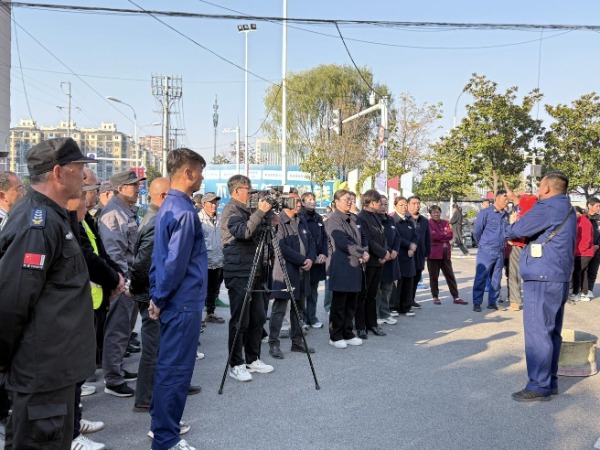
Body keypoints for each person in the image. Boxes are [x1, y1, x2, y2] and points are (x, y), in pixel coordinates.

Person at [0, 137, 96, 449]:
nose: (84, 177)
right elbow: (11, 302)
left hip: (55, 371)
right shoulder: (37, 223)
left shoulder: (53, 216)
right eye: (79, 169)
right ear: (58, 173)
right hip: (42, 374)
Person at [148, 149, 208, 450]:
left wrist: (157, 295)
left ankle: (162, 428)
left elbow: (159, 258)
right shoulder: (183, 211)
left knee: (168, 368)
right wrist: (159, 297)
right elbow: (174, 262)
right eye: (200, 171)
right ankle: (166, 438)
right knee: (175, 372)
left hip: (174, 299)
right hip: (183, 301)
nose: (201, 177)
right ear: (188, 173)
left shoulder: (169, 206)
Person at [505, 171, 576, 401]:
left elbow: (517, 230)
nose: (537, 191)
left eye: (539, 186)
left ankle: (538, 385)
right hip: (558, 276)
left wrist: (513, 223)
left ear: (546, 188)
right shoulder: (567, 207)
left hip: (542, 276)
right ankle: (549, 381)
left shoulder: (547, 206)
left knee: (538, 333)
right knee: (551, 332)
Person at [66, 188, 109, 450]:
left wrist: (113, 276)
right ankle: (70, 434)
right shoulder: (62, 224)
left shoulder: (85, 221)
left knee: (77, 374)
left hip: (89, 300)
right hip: (75, 306)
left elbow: (98, 253)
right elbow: (87, 258)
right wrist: (114, 278)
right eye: (83, 195)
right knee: (69, 374)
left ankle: (75, 420)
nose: (88, 200)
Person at [221, 175, 274, 382]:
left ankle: (253, 358)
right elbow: (243, 232)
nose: (252, 193)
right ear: (236, 191)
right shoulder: (231, 210)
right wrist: (260, 212)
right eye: (248, 189)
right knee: (240, 320)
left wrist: (268, 216)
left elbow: (261, 235)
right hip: (239, 271)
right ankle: (236, 363)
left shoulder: (249, 210)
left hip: (256, 269)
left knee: (258, 317)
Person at [98, 170, 145, 397]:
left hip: (131, 279)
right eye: (133, 185)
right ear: (120, 189)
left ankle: (116, 368)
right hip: (122, 282)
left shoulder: (127, 210)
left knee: (125, 328)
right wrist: (125, 282)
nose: (137, 189)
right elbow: (114, 253)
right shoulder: (112, 214)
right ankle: (112, 379)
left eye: (138, 185)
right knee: (117, 330)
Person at [268, 192, 316, 359]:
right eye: (295, 201)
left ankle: (297, 341)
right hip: (285, 271)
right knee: (279, 309)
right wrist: (302, 260)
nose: (299, 204)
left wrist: (311, 258)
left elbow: (311, 241)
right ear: (285, 202)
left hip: (303, 271)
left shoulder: (301, 219)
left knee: (299, 308)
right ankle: (274, 344)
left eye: (299, 201)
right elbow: (280, 246)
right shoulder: (278, 220)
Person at [325, 189, 368, 349]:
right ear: (336, 202)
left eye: (351, 199)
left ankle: (348, 332)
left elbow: (364, 237)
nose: (350, 202)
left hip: (356, 265)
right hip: (342, 265)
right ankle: (335, 335)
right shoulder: (333, 220)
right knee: (339, 303)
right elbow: (342, 241)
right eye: (346, 199)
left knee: (352, 302)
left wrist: (365, 251)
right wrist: (361, 252)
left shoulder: (355, 218)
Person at [356, 189, 389, 339]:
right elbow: (367, 240)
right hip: (368, 261)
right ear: (372, 202)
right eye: (379, 202)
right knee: (363, 294)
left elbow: (382, 236)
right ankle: (361, 326)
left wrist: (385, 252)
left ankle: (372, 324)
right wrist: (382, 253)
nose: (381, 205)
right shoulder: (361, 217)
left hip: (379, 261)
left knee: (372, 295)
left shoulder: (375, 216)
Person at [472, 190, 509, 312]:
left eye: (507, 200)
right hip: (486, 250)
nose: (506, 202)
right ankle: (477, 302)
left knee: (496, 278)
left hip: (500, 250)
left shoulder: (506, 215)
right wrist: (483, 244)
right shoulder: (485, 213)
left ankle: (493, 302)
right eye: (504, 199)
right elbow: (477, 231)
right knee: (481, 276)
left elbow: (508, 231)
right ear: (496, 199)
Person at [427, 205, 468, 305]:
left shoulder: (445, 222)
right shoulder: (428, 223)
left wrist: (440, 235)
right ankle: (435, 296)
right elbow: (432, 236)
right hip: (433, 254)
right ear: (430, 214)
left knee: (450, 276)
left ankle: (456, 296)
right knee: (434, 277)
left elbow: (450, 235)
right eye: (434, 212)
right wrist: (443, 234)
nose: (436, 214)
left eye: (438, 212)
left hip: (445, 254)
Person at [300, 192, 328, 329]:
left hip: (318, 261)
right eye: (309, 200)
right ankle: (303, 319)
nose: (312, 202)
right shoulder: (300, 217)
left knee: (313, 291)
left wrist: (323, 253)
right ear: (302, 202)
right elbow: (303, 241)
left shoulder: (318, 217)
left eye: (313, 199)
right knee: (303, 291)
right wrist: (311, 257)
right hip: (306, 260)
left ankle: (312, 317)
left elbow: (324, 237)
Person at [198, 192, 226, 324]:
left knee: (214, 289)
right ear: (204, 204)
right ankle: (198, 317)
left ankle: (210, 313)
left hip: (218, 260)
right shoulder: (198, 219)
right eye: (211, 203)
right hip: (204, 261)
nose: (214, 205)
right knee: (201, 290)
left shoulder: (221, 218)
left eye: (216, 202)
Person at [390, 196, 418, 317]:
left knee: (408, 280)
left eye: (405, 205)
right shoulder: (393, 220)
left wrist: (413, 246)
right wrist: (409, 245)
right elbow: (397, 237)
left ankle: (406, 306)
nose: (404, 207)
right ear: (395, 206)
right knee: (397, 282)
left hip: (409, 255)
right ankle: (394, 307)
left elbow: (415, 236)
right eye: (401, 205)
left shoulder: (409, 220)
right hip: (399, 253)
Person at [375, 195, 400, 325]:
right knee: (377, 289)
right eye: (381, 204)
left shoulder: (391, 220)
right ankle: (376, 314)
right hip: (380, 257)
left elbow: (397, 237)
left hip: (392, 259)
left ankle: (385, 313)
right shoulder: (374, 219)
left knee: (387, 288)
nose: (383, 206)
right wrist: (388, 251)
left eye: (386, 204)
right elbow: (378, 239)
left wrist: (395, 250)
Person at [407, 196, 431, 309]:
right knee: (407, 278)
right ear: (408, 205)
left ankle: (411, 299)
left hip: (420, 253)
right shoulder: (404, 218)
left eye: (418, 203)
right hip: (407, 253)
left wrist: (427, 253)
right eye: (414, 203)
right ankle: (403, 302)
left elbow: (427, 238)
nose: (416, 206)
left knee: (417, 277)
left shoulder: (424, 220)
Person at [570, 206, 595, 301]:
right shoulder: (579, 221)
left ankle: (576, 293)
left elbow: (586, 239)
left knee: (577, 272)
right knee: (582, 272)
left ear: (578, 213)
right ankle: (584, 293)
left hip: (583, 252)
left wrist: (580, 250)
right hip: (581, 252)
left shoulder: (584, 222)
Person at [586, 197, 600, 298]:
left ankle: (589, 289)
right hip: (584, 249)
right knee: (582, 270)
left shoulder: (599, 218)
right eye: (597, 206)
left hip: (597, 249)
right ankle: (580, 290)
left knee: (593, 270)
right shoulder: (583, 217)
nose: (598, 208)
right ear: (589, 206)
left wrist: (597, 245)